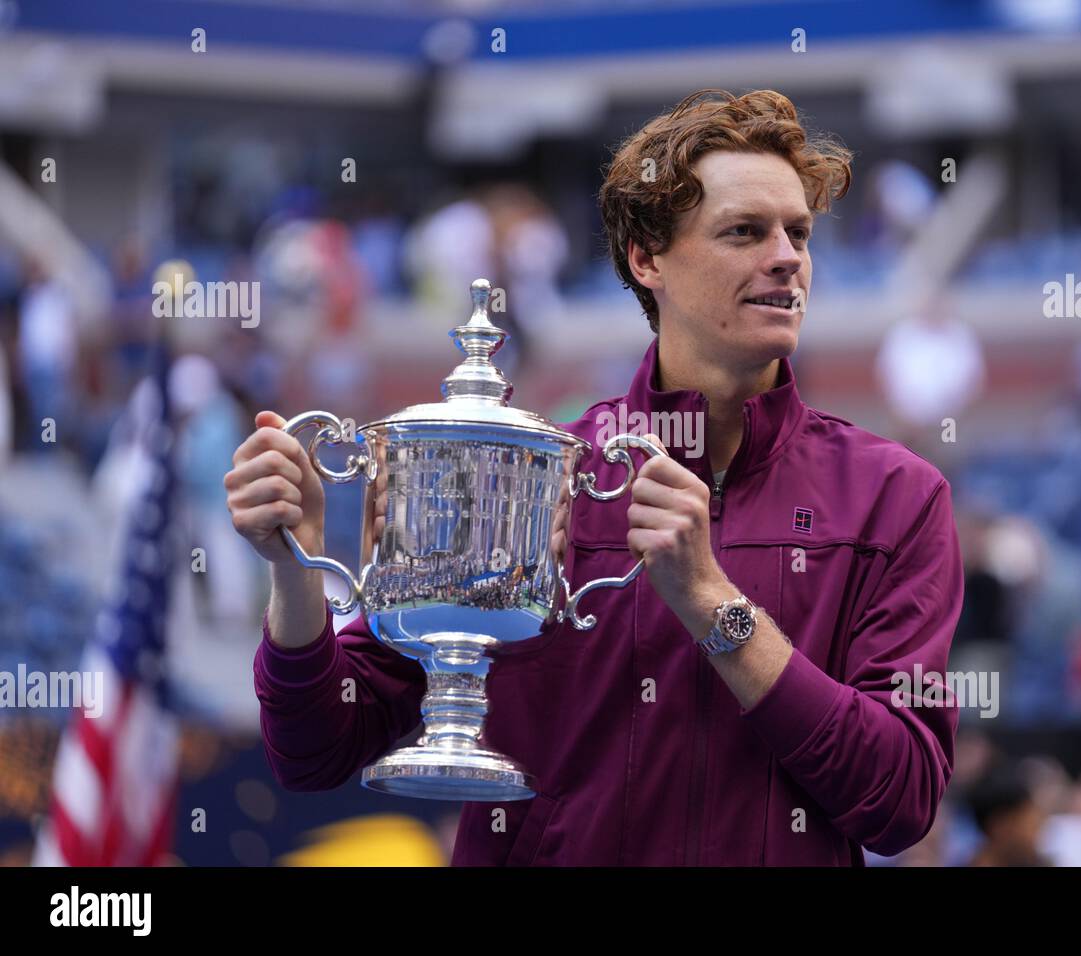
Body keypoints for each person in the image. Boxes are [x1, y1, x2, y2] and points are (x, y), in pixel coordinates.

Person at [226, 89, 965, 866]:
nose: (786, 256)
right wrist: (296, 573)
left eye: (799, 233)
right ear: (647, 258)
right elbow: (314, 751)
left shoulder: (895, 499)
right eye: (745, 231)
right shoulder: (526, 475)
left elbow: (900, 800)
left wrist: (713, 603)